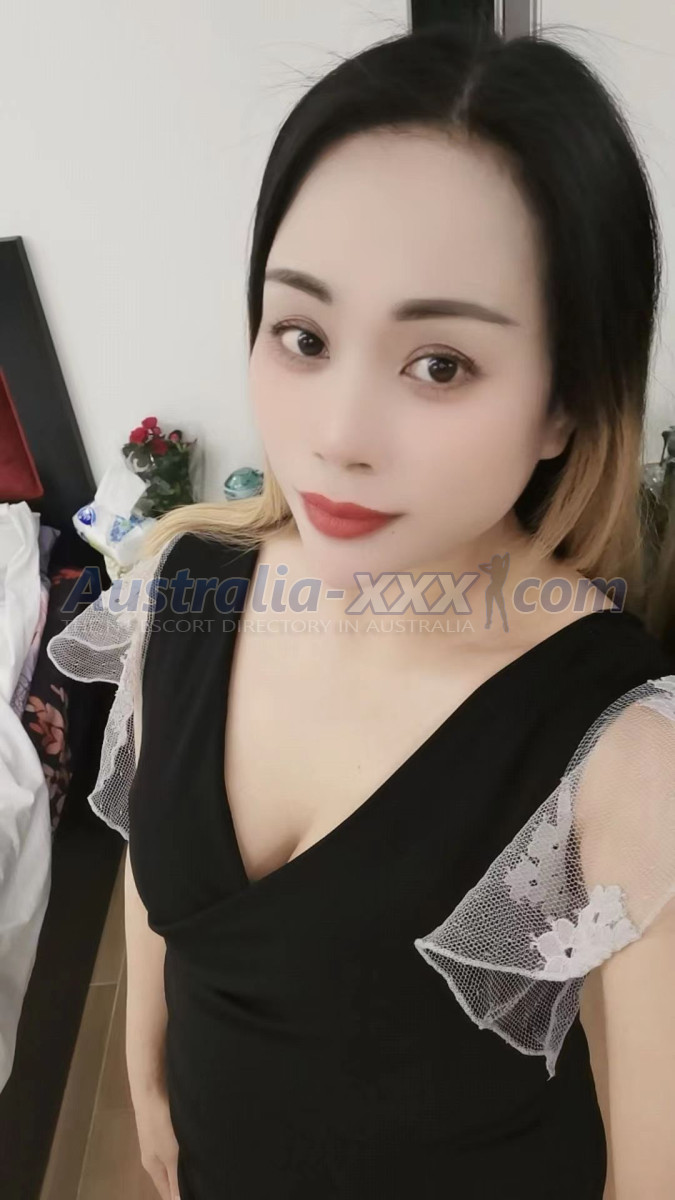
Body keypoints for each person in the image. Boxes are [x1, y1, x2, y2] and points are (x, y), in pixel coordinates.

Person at [48, 19, 675, 1200]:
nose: (337, 436)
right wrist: (147, 1080)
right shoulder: (185, 594)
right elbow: (154, 866)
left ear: (567, 402)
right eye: (303, 335)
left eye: (440, 364)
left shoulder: (622, 754)